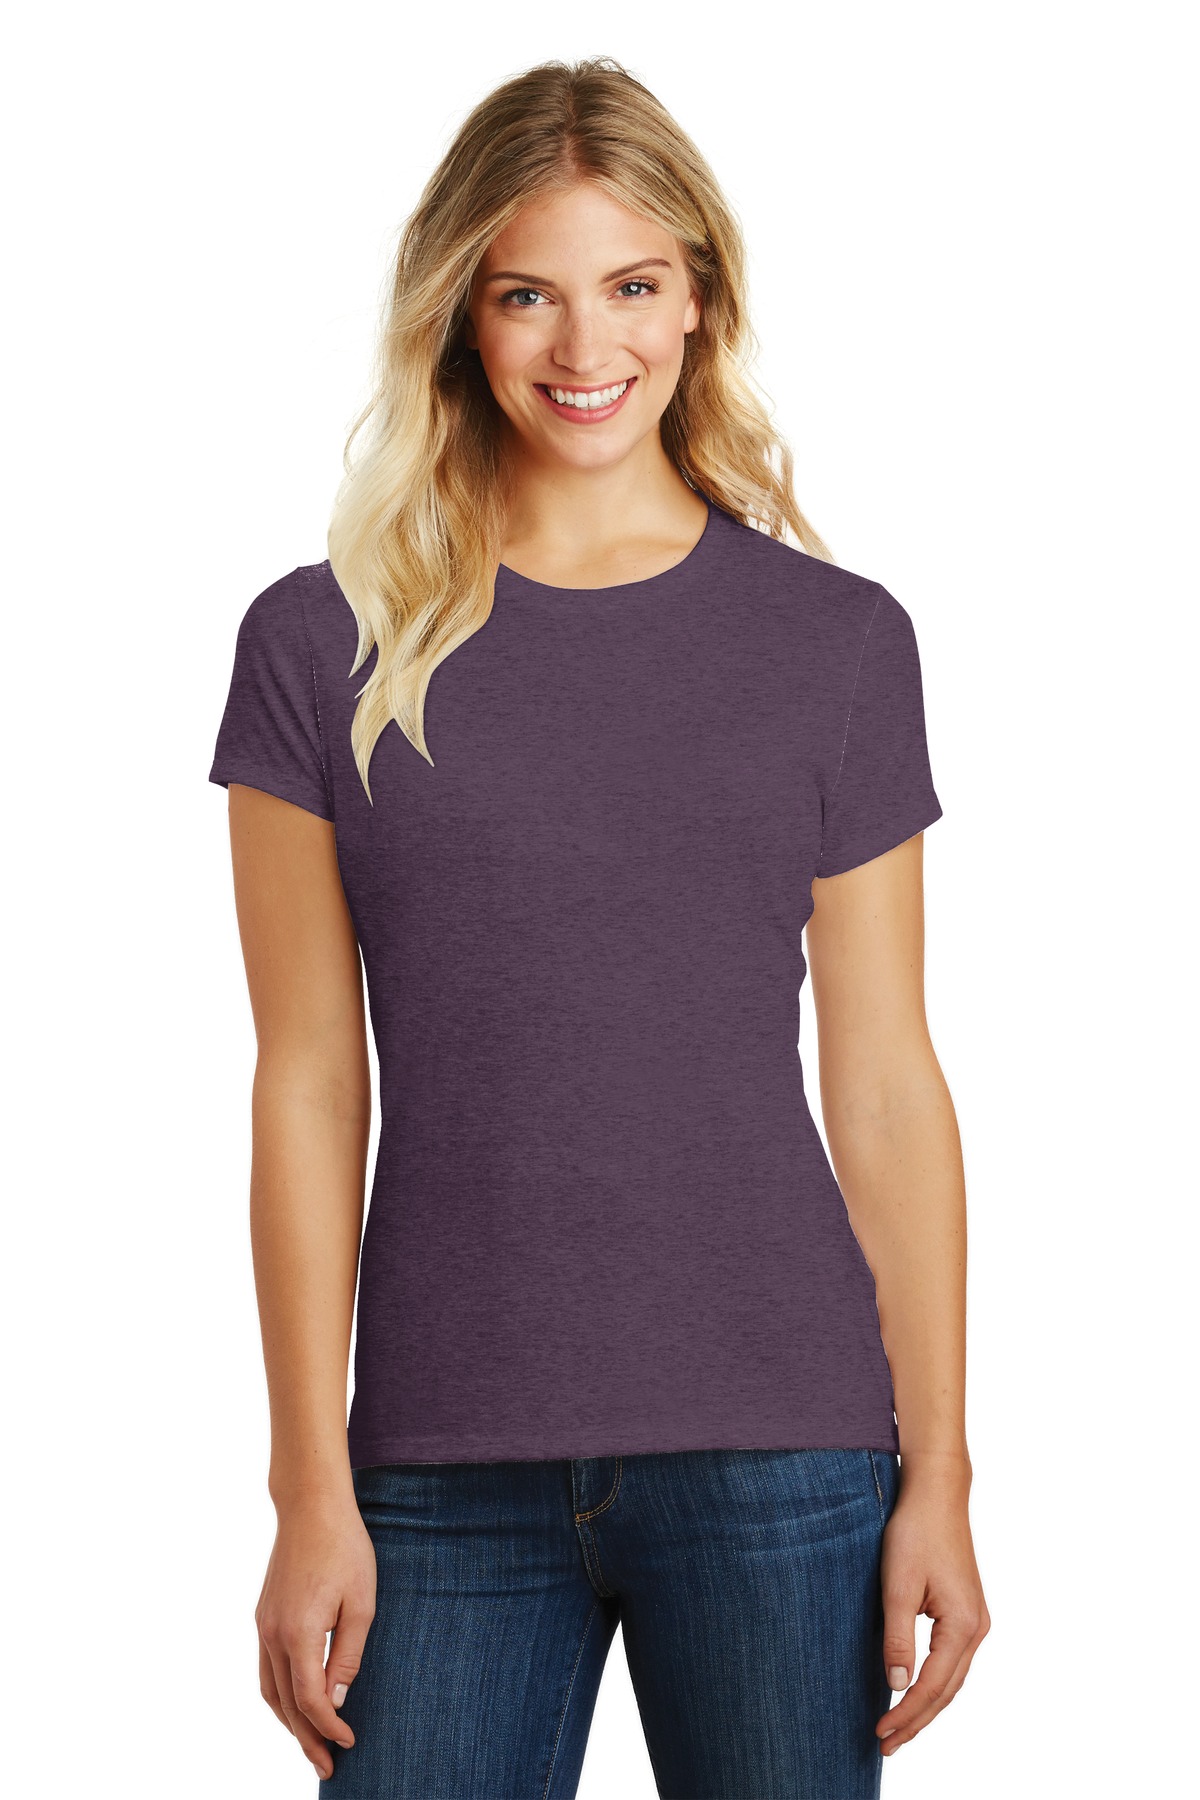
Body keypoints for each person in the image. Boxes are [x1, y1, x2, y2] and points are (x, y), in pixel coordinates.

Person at [208, 54, 989, 1800]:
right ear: (460, 315)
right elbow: (307, 1085)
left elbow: (884, 1084)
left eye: (633, 286)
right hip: (435, 1470)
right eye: (527, 295)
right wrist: (306, 1486)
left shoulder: (835, 644)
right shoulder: (315, 646)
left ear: (700, 299)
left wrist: (941, 1468)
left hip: (784, 1452)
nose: (585, 346)